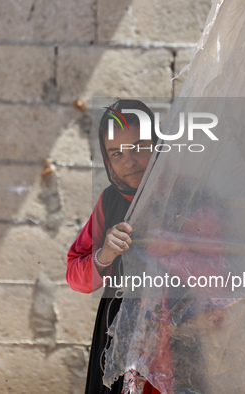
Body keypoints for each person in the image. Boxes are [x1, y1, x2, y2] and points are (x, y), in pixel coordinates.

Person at [66, 99, 161, 394]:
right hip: (118, 332)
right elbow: (75, 275)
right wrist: (106, 253)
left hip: (173, 334)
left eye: (138, 147)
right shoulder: (110, 201)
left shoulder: (186, 194)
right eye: (116, 153)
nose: (128, 161)